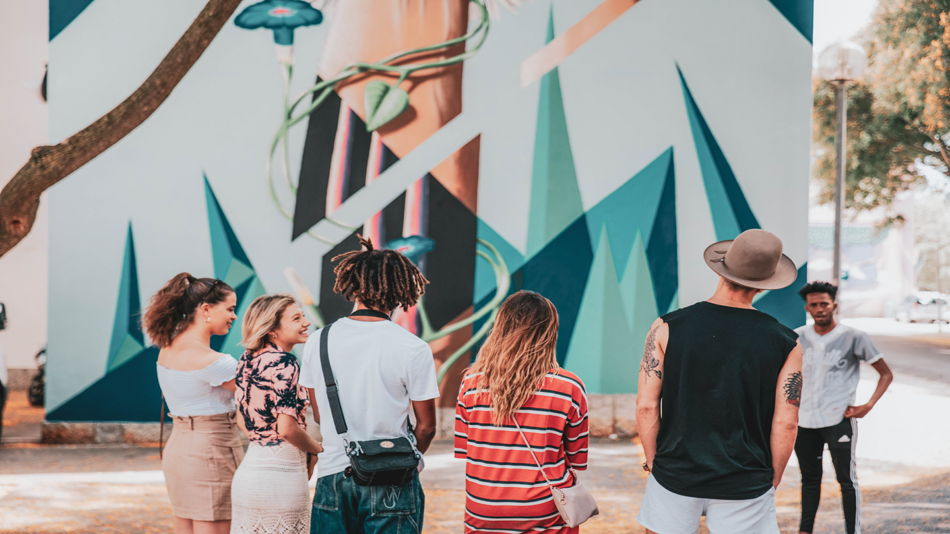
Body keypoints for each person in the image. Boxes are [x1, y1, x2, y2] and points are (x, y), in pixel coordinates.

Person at [635, 229, 803, 534]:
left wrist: (654, 463)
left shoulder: (666, 326)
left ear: (722, 269)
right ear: (764, 285)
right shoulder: (786, 342)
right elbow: (787, 422)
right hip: (746, 477)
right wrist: (773, 476)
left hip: (675, 472)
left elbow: (647, 406)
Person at [299, 235, 439, 534]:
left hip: (333, 475)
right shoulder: (412, 347)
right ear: (402, 290)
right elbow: (426, 427)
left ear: (353, 287)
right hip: (393, 479)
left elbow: (321, 415)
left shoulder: (317, 341)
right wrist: (405, 457)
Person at [455, 291, 590, 534]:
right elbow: (576, 459)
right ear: (550, 333)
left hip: (483, 511)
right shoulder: (569, 387)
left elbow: (467, 451)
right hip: (546, 513)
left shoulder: (471, 382)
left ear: (500, 328)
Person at [144, 273, 243, 534]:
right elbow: (261, 397)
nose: (234, 316)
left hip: (179, 448)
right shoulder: (216, 362)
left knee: (184, 526)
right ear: (206, 309)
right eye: (230, 309)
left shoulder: (167, 348)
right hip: (213, 450)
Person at [794, 282, 893, 534]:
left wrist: (867, 405)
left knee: (846, 481)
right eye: (814, 304)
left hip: (838, 418)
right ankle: (805, 531)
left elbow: (885, 374)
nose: (819, 309)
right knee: (809, 481)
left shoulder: (854, 337)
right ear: (807, 307)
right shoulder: (797, 337)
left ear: (834, 305)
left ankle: (853, 531)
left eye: (824, 304)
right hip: (804, 421)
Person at [231, 294, 324, 534]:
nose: (306, 323)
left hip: (250, 472)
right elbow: (287, 429)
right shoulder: (286, 362)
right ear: (272, 329)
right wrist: (318, 449)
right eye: (296, 318)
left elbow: (242, 418)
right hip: (282, 479)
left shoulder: (246, 360)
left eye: (303, 316)